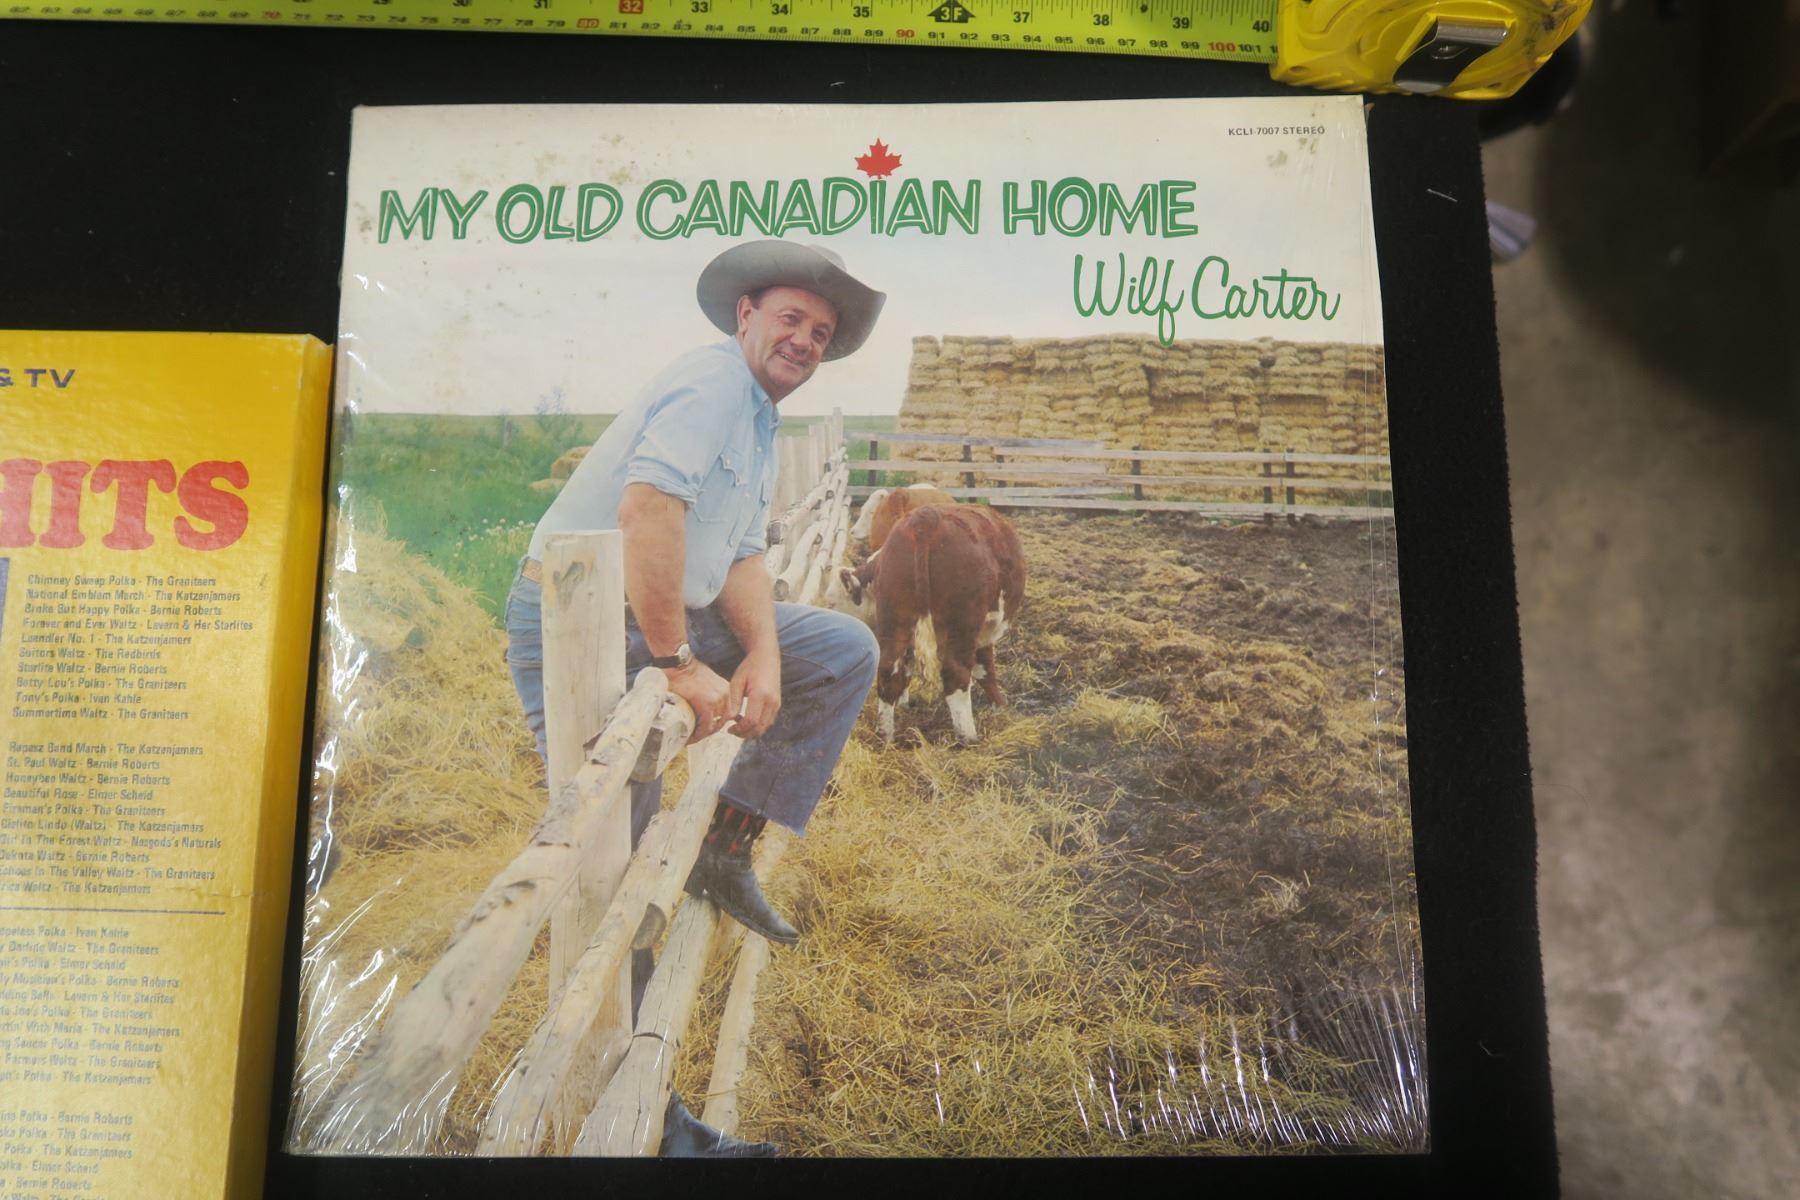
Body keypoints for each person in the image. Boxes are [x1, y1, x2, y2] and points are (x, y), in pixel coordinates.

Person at [502, 240, 884, 1157]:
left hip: (669, 612)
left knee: (841, 649)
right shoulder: (713, 382)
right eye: (790, 318)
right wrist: (677, 661)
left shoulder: (757, 418)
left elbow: (743, 553)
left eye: (821, 332)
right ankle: (642, 1108)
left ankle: (723, 846)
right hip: (583, 623)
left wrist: (764, 657)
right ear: (745, 315)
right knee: (621, 855)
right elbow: (647, 511)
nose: (804, 340)